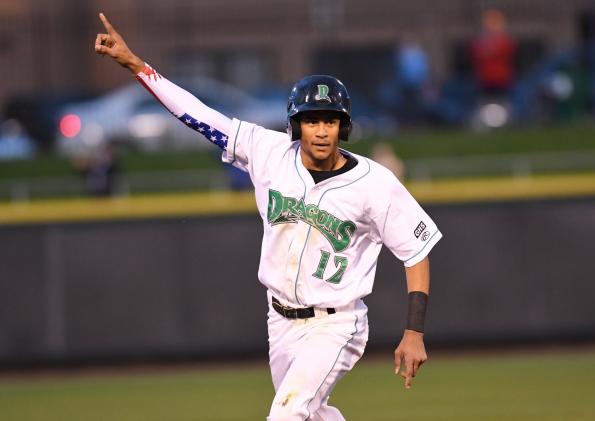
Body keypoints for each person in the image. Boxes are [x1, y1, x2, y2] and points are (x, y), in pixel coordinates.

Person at [95, 12, 442, 420]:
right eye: (311, 120)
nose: (320, 130)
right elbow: (201, 116)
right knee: (311, 414)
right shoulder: (268, 152)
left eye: (329, 120)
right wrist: (137, 65)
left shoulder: (373, 183)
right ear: (296, 124)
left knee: (286, 414)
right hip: (279, 320)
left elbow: (416, 251)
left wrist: (414, 331)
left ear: (343, 126)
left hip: (336, 324)